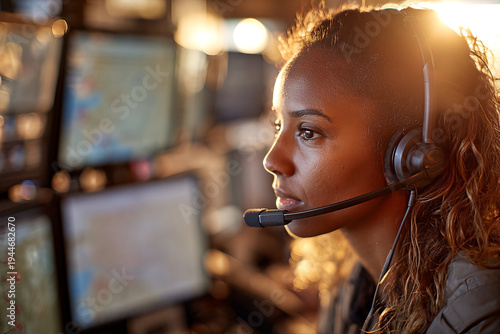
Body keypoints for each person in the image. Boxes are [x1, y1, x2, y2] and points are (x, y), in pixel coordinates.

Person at [261, 2, 500, 333]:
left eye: (308, 132)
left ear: (411, 157)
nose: (272, 161)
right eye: (278, 126)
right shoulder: (350, 279)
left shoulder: (479, 317)